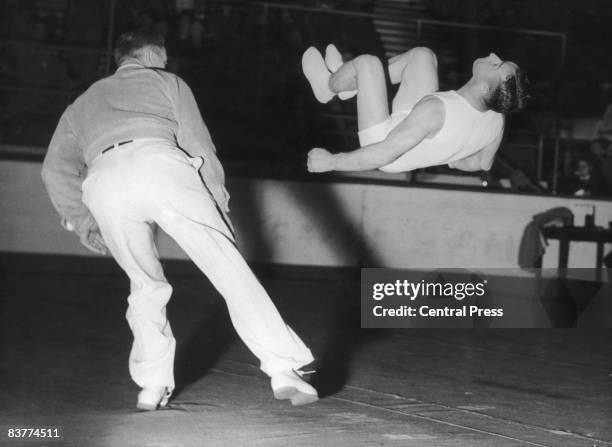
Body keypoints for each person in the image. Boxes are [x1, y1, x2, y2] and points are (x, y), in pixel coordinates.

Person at [41, 29, 318, 410]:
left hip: (103, 180)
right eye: (164, 56)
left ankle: (151, 386)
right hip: (159, 163)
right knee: (228, 269)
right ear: (152, 53)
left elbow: (54, 170)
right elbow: (198, 143)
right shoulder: (168, 82)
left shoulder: (80, 104)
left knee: (144, 285)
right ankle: (284, 370)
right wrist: (217, 198)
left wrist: (84, 221)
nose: (167, 62)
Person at [302, 44, 530, 173]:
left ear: (484, 88)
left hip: (384, 146)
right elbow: (481, 163)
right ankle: (351, 81)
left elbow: (383, 154)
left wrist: (331, 162)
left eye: (497, 64)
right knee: (423, 56)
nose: (494, 55)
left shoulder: (436, 110)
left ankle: (328, 87)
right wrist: (449, 155)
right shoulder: (497, 119)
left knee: (368, 63)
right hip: (416, 127)